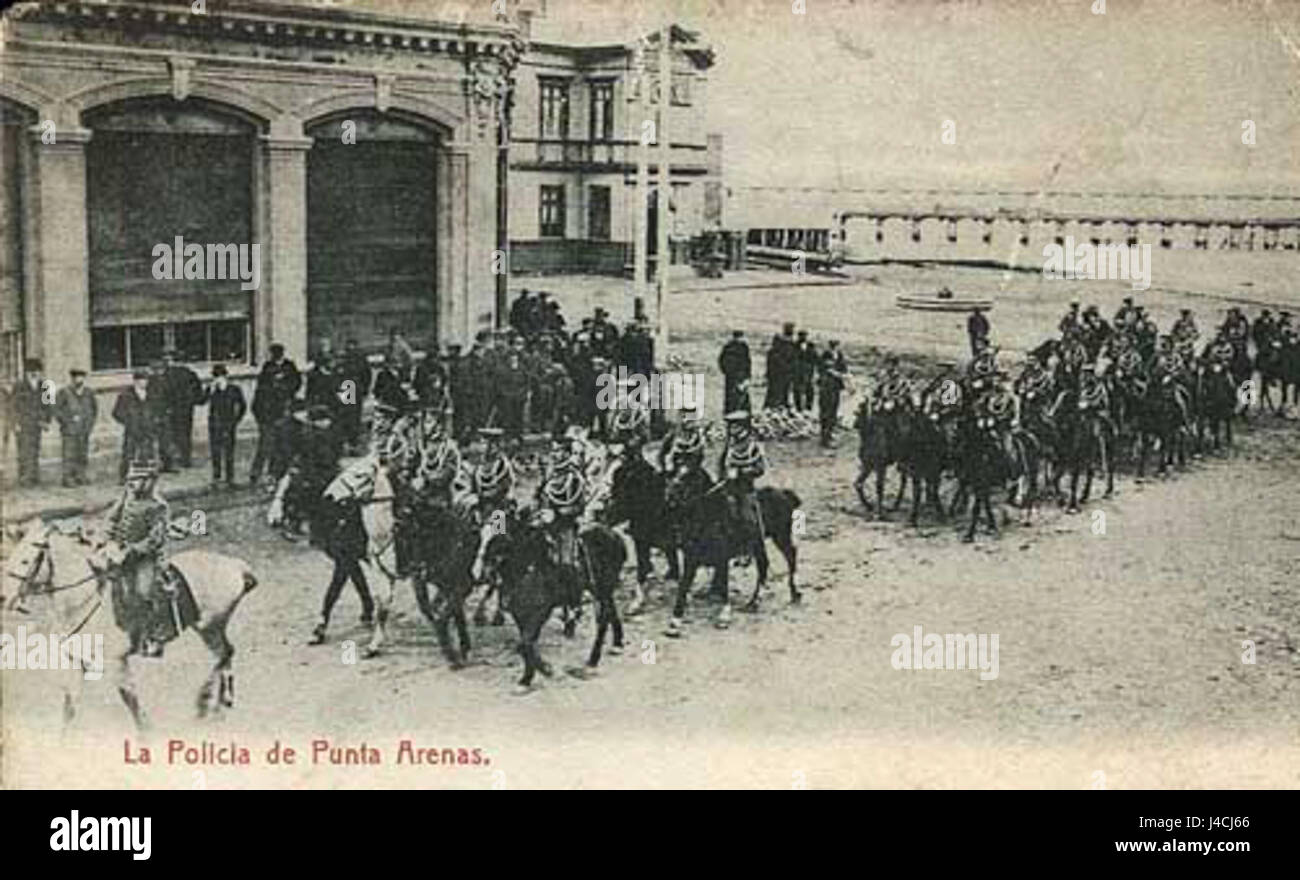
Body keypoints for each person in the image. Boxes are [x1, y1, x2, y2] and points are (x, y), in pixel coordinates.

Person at [97, 459, 171, 657]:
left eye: (137, 480)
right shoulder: (126, 498)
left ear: (149, 482)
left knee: (144, 592)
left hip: (144, 558)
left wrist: (129, 552)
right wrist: (106, 540)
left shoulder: (158, 506)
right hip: (118, 551)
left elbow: (154, 540)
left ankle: (153, 636)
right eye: (130, 479)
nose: (132, 483)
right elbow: (111, 519)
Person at [717, 410, 768, 572]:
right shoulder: (729, 444)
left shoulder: (753, 445)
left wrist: (743, 472)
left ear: (743, 427)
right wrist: (721, 477)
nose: (732, 429)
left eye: (736, 426)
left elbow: (760, 468)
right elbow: (721, 462)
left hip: (745, 488)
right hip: (728, 488)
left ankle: (747, 550)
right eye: (731, 426)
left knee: (747, 518)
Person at [249, 343, 301, 486]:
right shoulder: (267, 370)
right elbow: (257, 402)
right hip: (268, 417)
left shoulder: (289, 367)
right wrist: (261, 418)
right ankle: (256, 473)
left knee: (282, 446)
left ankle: (275, 473)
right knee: (265, 445)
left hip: (283, 414)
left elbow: (297, 383)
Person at [112, 370, 159, 482]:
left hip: (148, 429)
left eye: (146, 380)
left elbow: (156, 410)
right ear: (135, 381)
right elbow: (116, 413)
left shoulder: (151, 395)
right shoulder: (126, 395)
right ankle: (124, 477)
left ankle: (145, 476)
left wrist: (154, 421)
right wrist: (128, 421)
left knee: (147, 453)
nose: (144, 383)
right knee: (129, 453)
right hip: (132, 429)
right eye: (141, 380)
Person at [204, 364, 246, 487]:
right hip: (215, 424)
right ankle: (216, 477)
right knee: (215, 452)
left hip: (228, 424)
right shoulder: (212, 389)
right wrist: (210, 391)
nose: (218, 379)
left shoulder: (234, 389)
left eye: (221, 376)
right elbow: (201, 401)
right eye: (216, 376)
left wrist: (236, 420)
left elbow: (242, 406)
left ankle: (230, 478)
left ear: (226, 376)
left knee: (229, 452)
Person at [55, 367, 97, 487]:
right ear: (72, 379)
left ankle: (81, 475)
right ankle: (68, 478)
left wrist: (90, 423)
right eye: (76, 377)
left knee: (82, 453)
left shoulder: (89, 392)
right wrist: (67, 421)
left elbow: (94, 409)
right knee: (69, 454)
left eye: (81, 377)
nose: (79, 380)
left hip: (84, 429)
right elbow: (57, 410)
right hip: (70, 430)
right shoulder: (64, 392)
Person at [13, 358, 52, 487]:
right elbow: (14, 406)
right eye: (30, 371)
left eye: (36, 370)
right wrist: (16, 423)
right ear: (26, 372)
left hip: (37, 424)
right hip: (24, 424)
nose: (34, 373)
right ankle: (24, 478)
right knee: (24, 451)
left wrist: (47, 421)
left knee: (35, 450)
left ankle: (34, 476)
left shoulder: (45, 386)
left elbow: (48, 405)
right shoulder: (19, 386)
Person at [163, 349, 202, 468]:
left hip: (172, 409)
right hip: (187, 409)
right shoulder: (190, 374)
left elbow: (164, 392)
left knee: (172, 434)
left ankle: (173, 460)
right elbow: (197, 392)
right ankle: (186, 459)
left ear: (173, 360)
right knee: (186, 433)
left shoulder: (168, 374)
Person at [338, 338, 371, 453]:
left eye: (353, 346)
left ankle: (353, 439)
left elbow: (367, 375)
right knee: (348, 414)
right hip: (348, 387)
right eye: (349, 346)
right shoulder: (344, 359)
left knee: (354, 414)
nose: (351, 348)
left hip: (354, 387)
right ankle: (349, 439)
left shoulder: (360, 359)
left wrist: (365, 389)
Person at [817, 340, 848, 447]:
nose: (835, 347)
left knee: (833, 411)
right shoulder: (825, 355)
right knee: (826, 412)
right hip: (826, 388)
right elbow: (823, 369)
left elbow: (844, 369)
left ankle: (829, 434)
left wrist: (841, 374)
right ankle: (825, 438)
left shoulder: (839, 355)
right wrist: (836, 373)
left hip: (835, 388)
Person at [718, 329, 752, 413]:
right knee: (741, 396)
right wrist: (748, 375)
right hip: (740, 376)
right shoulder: (743, 347)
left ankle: (730, 412)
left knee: (730, 396)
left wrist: (725, 371)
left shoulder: (728, 346)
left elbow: (721, 360)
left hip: (730, 376)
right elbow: (747, 363)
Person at [765, 322, 797, 409]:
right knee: (776, 390)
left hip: (786, 371)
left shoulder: (791, 343)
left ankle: (780, 405)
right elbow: (775, 358)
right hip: (779, 371)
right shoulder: (782, 344)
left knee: (784, 390)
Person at [792, 329, 817, 412]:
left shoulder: (811, 346)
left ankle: (808, 407)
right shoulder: (794, 346)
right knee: (797, 390)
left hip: (808, 371)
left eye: (805, 336)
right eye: (801, 336)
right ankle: (798, 408)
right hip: (797, 371)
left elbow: (815, 358)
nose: (803, 337)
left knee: (809, 389)